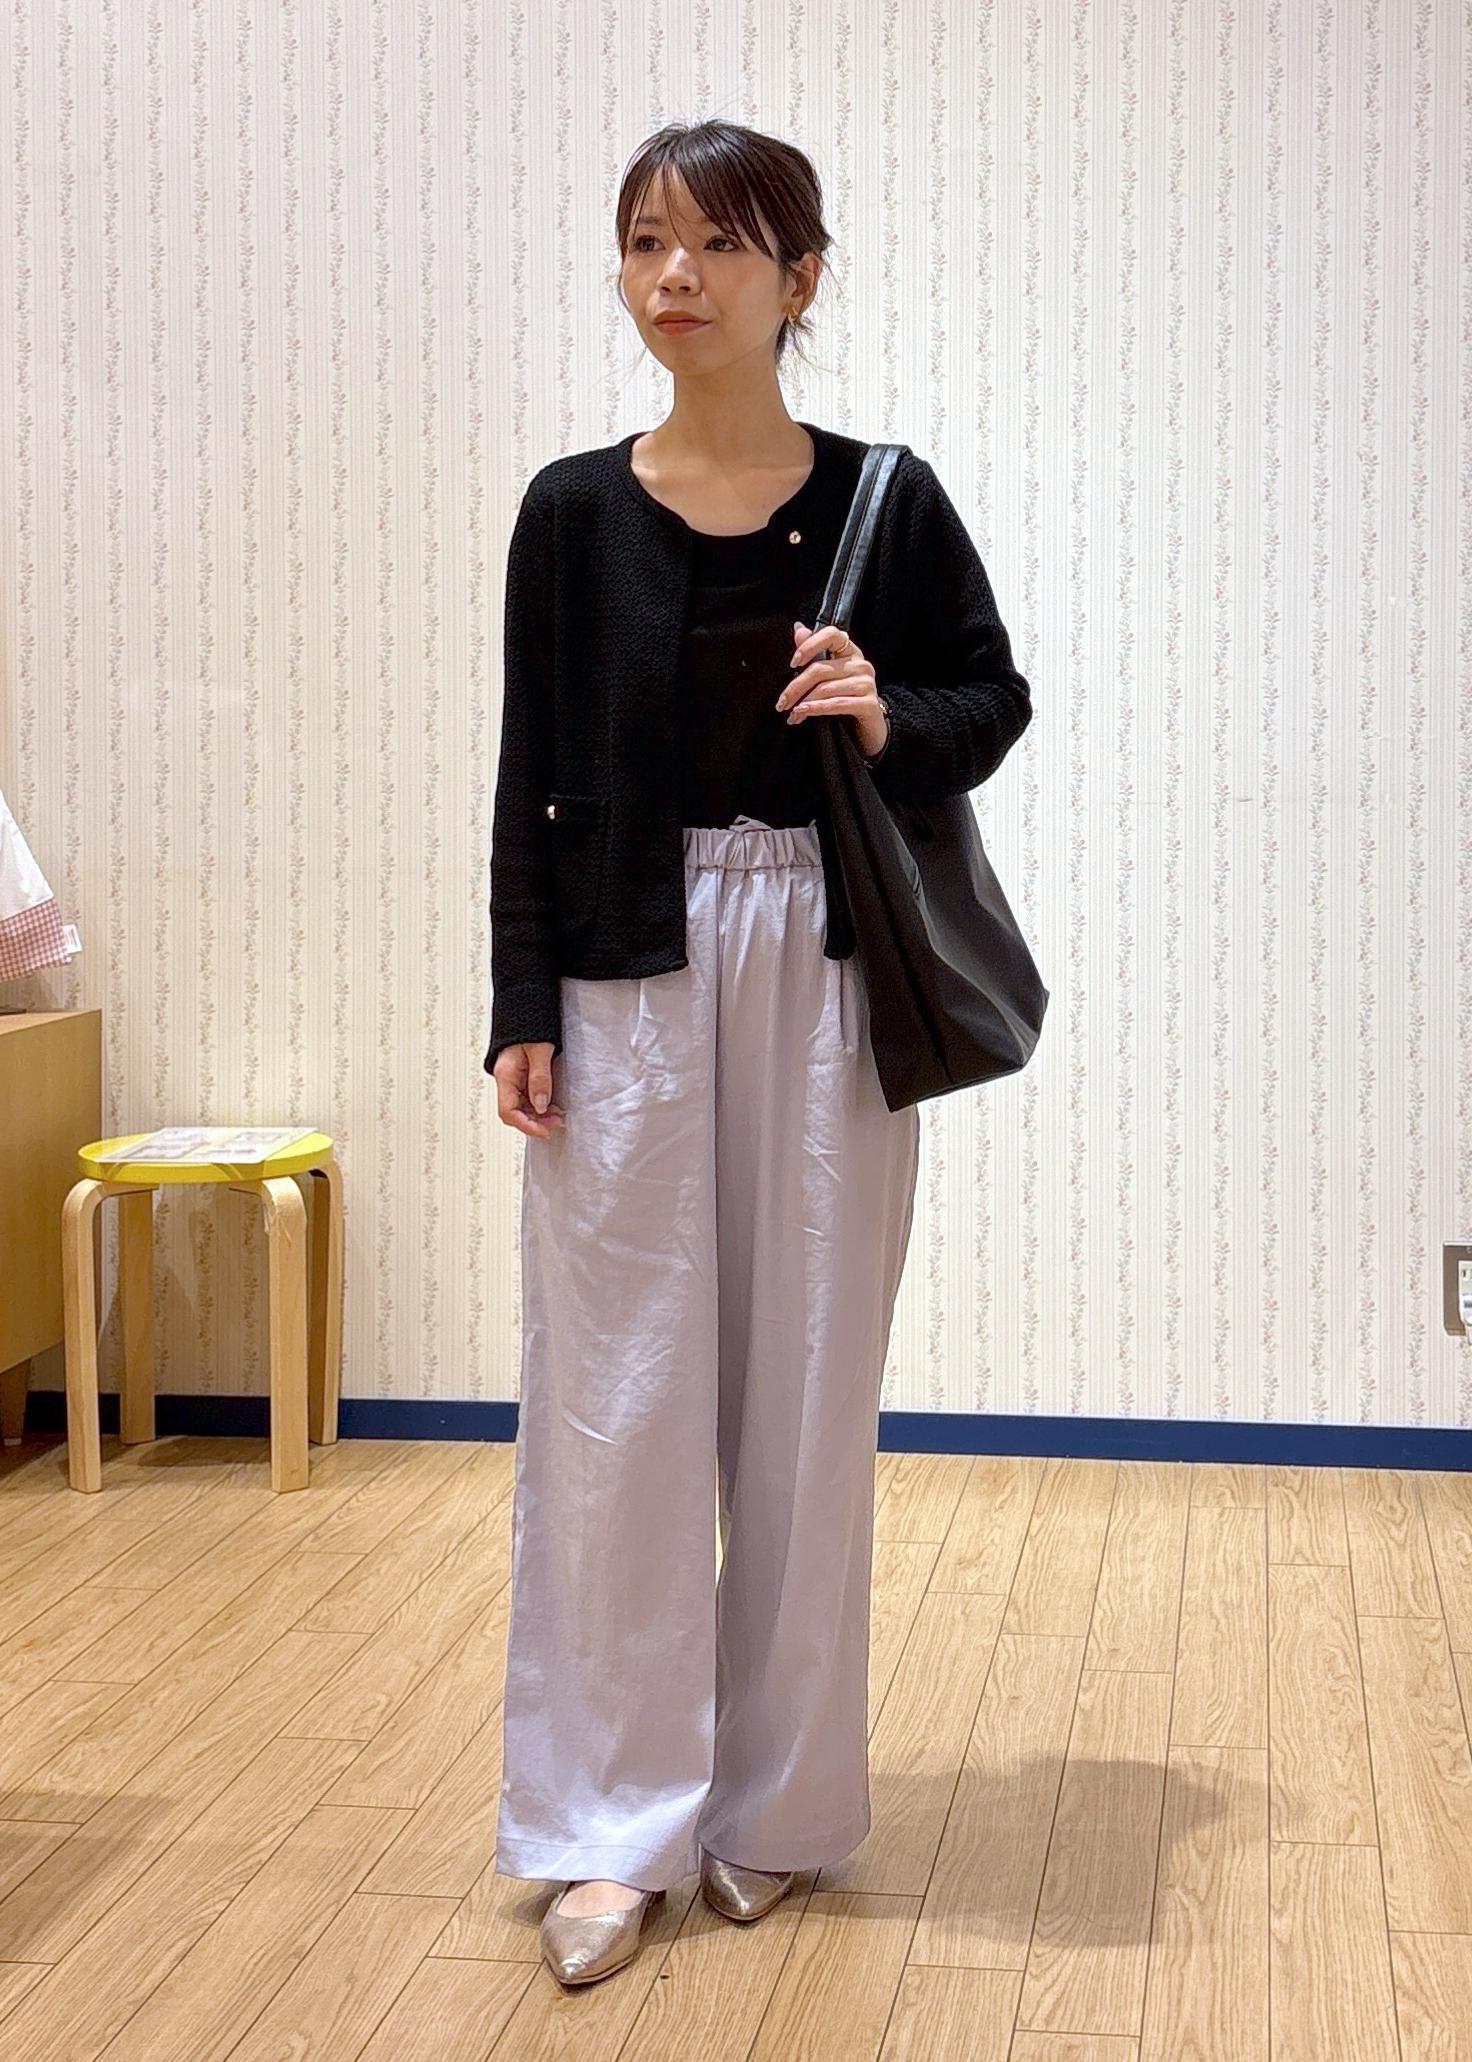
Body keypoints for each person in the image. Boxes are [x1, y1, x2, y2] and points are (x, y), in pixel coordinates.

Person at [485, 119, 1032, 1988]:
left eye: (721, 244)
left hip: (822, 964)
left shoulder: (888, 497)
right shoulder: (571, 512)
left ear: (800, 278)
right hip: (622, 974)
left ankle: (780, 1808)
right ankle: (607, 1820)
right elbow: (528, 777)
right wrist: (521, 1003)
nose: (677, 276)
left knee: (807, 1394)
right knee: (616, 1404)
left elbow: (990, 694)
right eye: (649, 239)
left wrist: (886, 710)